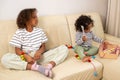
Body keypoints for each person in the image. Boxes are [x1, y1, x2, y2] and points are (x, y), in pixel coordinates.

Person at [1, 8, 68, 78]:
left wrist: (39, 52)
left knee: (64, 48)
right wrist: (26, 56)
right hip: (26, 58)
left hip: (40, 57)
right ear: (26, 20)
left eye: (36, 16)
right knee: (5, 58)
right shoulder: (19, 32)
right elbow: (17, 50)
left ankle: (48, 67)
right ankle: (35, 67)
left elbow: (43, 47)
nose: (37, 19)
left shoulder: (40, 31)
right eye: (34, 17)